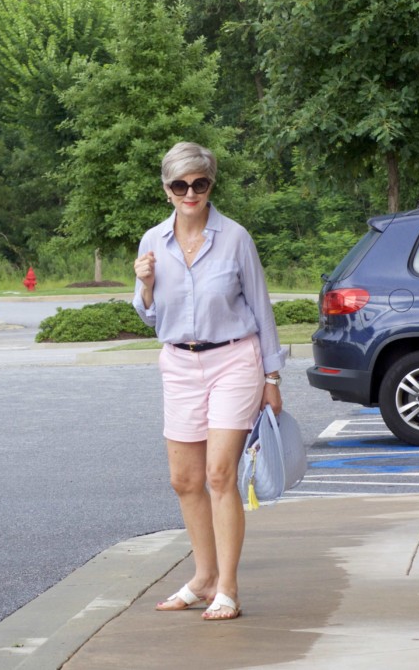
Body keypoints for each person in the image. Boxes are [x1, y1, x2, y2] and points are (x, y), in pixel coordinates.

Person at [133, 141, 284, 621]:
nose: (190, 192)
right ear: (167, 190)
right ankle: (202, 578)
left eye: (199, 183)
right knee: (184, 480)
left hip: (235, 361)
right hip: (178, 364)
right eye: (180, 185)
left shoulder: (235, 237)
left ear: (210, 184)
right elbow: (150, 317)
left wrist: (272, 375)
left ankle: (228, 588)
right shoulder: (153, 242)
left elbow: (261, 307)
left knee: (220, 475)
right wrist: (145, 285)